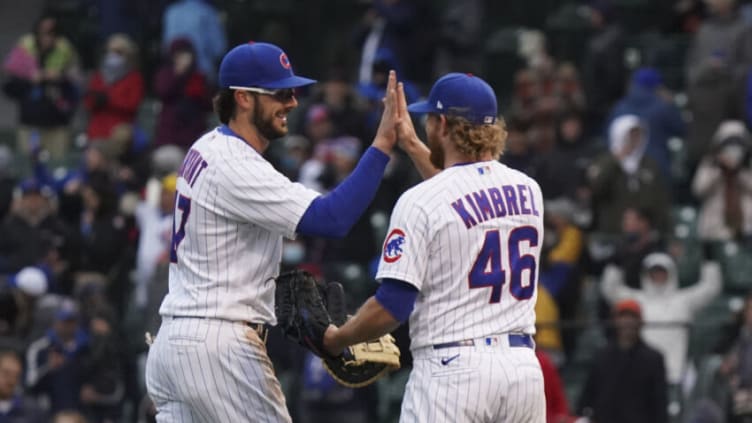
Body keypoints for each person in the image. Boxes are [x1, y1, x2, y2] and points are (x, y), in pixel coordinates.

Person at [145, 42, 403, 422]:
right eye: (280, 93)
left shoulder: (206, 147)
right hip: (219, 345)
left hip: (176, 344)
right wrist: (381, 145)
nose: (293, 102)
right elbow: (331, 219)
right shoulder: (235, 164)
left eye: (293, 92)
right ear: (244, 99)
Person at [322, 73, 546, 421]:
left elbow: (391, 307)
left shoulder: (419, 201)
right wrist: (411, 143)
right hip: (523, 372)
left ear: (442, 123)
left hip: (453, 372)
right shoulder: (528, 189)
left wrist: (337, 339)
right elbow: (462, 195)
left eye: (429, 118)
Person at [577, 299, 668, 423]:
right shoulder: (602, 356)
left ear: (640, 321)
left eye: (632, 317)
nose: (628, 322)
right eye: (623, 316)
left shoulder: (654, 359)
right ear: (615, 321)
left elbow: (660, 405)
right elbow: (587, 397)